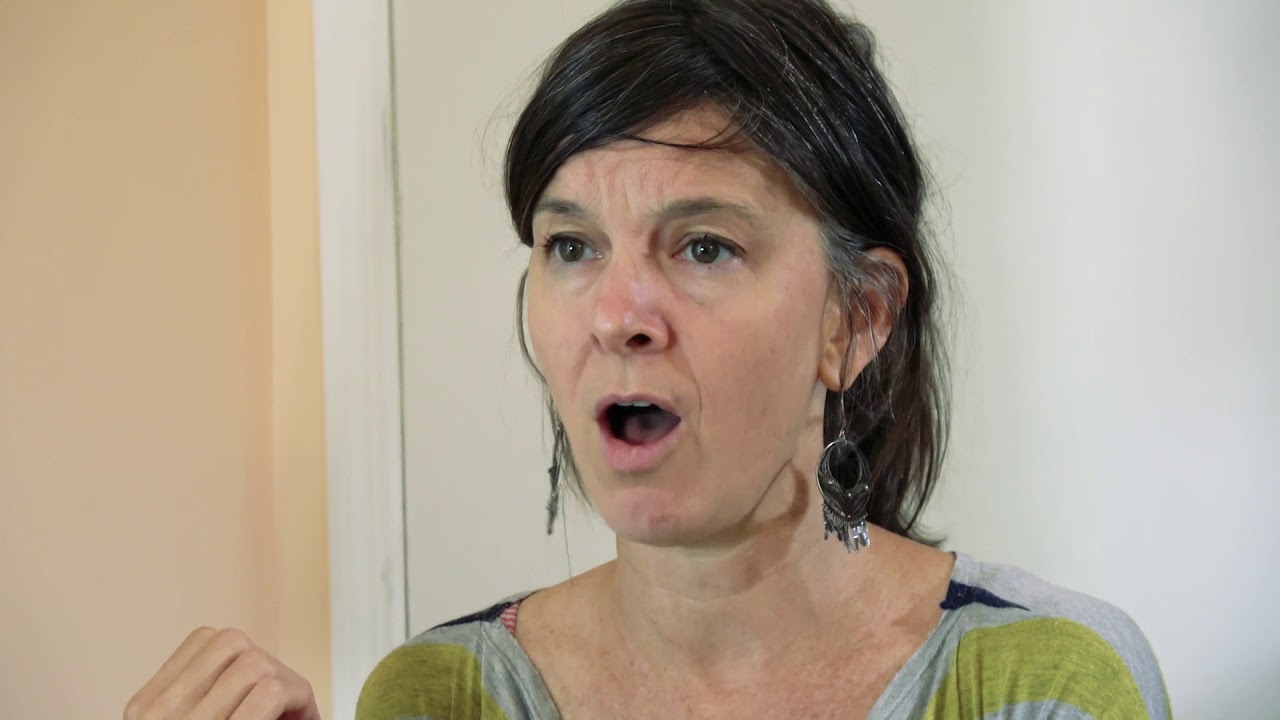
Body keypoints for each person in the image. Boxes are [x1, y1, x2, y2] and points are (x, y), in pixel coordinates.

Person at [124, 0, 1171, 718]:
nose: (616, 315)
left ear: (854, 319)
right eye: (571, 247)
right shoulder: (439, 698)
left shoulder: (1045, 681)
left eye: (703, 247)